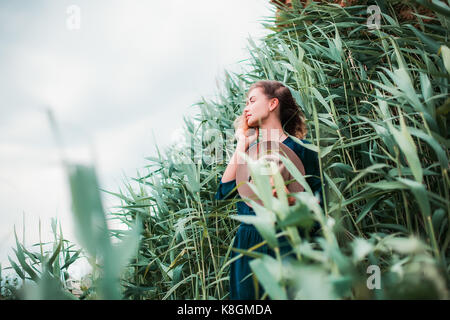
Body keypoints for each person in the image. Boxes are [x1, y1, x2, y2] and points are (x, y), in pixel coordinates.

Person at [214, 80, 324, 300]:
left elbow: (318, 207)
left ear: (273, 104)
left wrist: (292, 202)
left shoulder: (302, 149)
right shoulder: (248, 150)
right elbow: (223, 193)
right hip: (248, 243)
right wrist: (241, 144)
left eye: (252, 101)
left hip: (286, 239)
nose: (246, 108)